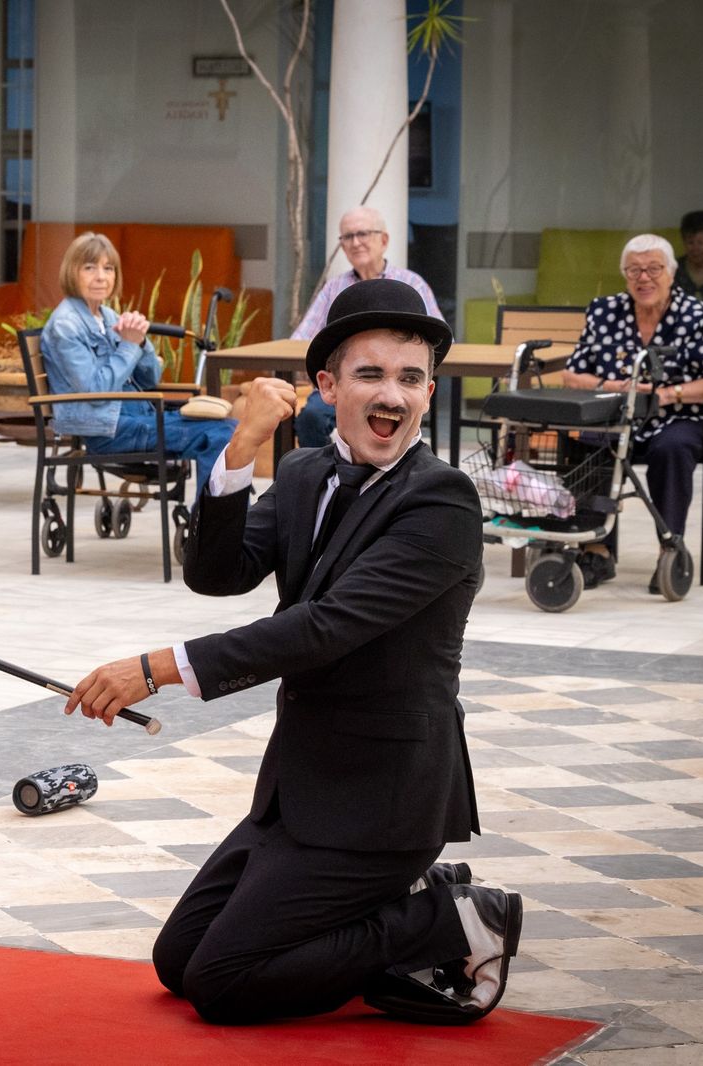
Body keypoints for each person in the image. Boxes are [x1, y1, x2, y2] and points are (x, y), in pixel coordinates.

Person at [65, 279, 521, 1027]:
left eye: (410, 378)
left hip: (385, 801)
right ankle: (407, 905)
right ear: (327, 386)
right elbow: (218, 574)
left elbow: (325, 628)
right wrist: (241, 449)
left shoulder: (441, 502)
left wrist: (157, 668)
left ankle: (449, 919)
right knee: (179, 961)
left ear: (428, 392)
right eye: (371, 374)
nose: (393, 395)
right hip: (300, 789)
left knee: (224, 983)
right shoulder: (307, 471)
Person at [562, 234, 703, 592]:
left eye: (654, 269)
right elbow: (573, 375)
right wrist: (615, 386)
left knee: (670, 447)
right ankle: (596, 550)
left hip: (687, 417)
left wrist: (668, 394)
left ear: (671, 273)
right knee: (590, 440)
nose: (644, 278)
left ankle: (669, 550)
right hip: (621, 416)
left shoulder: (695, 315)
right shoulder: (604, 311)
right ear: (625, 275)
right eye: (634, 270)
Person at [40, 232, 236, 488]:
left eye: (108, 268)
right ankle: (214, 513)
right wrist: (129, 345)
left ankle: (213, 510)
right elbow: (94, 390)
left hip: (136, 417)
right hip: (106, 431)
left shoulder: (108, 316)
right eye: (89, 268)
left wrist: (141, 343)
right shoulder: (66, 326)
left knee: (227, 428)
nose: (101, 277)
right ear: (71, 272)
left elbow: (150, 379)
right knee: (219, 434)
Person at [290, 206, 443, 448]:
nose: (355, 242)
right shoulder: (334, 287)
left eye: (363, 234)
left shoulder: (411, 284)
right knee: (311, 417)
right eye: (348, 236)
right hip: (348, 382)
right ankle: (330, 467)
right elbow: (300, 339)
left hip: (398, 381)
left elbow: (441, 340)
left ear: (384, 240)